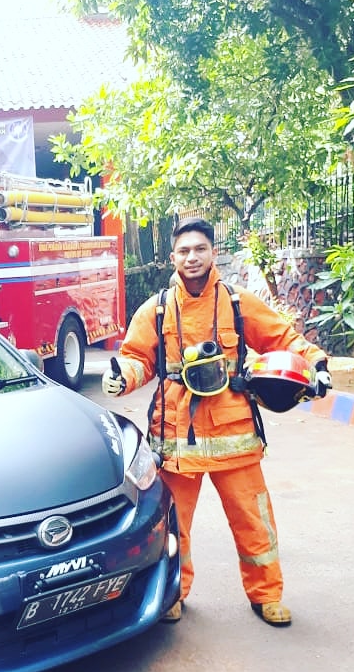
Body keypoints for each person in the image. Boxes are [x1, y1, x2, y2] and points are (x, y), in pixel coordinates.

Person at [102, 216, 331, 627]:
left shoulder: (238, 302)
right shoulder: (157, 308)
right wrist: (122, 377)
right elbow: (137, 357)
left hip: (234, 434)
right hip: (177, 437)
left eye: (199, 249)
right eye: (184, 251)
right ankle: (173, 594)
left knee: (254, 521)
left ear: (213, 252)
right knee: (172, 527)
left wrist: (317, 364)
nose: (192, 257)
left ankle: (266, 595)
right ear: (172, 257)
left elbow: (282, 338)